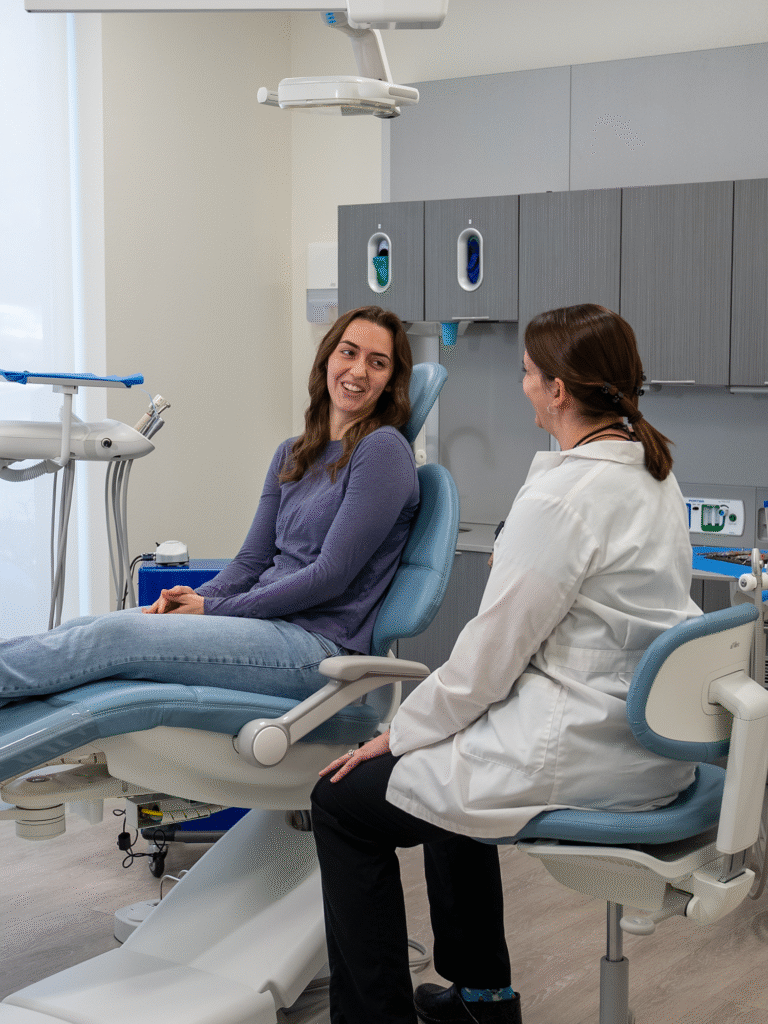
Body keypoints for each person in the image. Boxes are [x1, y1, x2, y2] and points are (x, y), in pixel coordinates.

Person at [310, 303, 701, 1024]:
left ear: (558, 390)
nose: (522, 386)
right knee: (449, 762)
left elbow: (485, 664)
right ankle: (483, 999)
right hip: (643, 740)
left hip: (578, 745)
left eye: (526, 373)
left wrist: (398, 734)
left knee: (342, 803)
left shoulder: (563, 497)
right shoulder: (653, 475)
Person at [0, 305, 419, 707]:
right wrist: (192, 599)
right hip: (264, 626)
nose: (358, 371)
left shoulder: (382, 450)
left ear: (390, 382)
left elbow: (330, 576)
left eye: (377, 362)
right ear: (327, 358)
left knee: (113, 638)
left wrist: (211, 609)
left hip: (317, 649)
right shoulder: (292, 454)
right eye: (349, 352)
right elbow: (251, 562)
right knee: (92, 625)